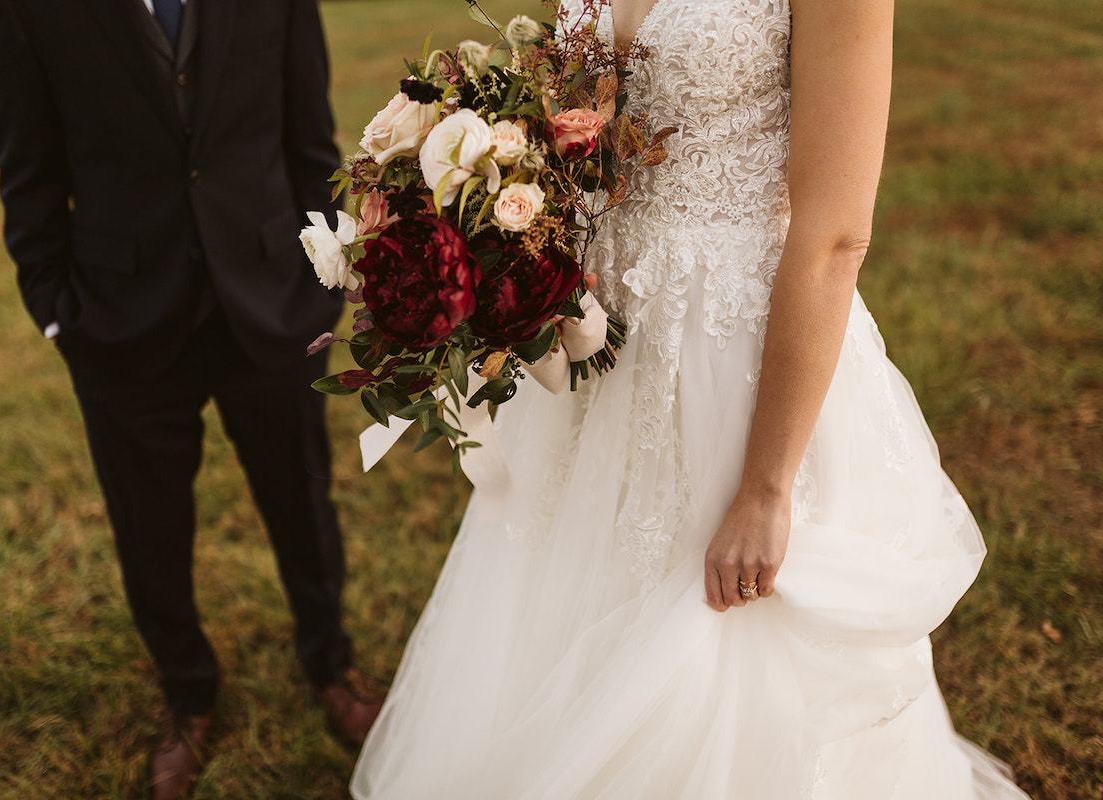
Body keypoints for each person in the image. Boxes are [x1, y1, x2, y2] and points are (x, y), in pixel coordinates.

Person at [350, 0, 1031, 797]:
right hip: (600, 338)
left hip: (735, 351)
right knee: (568, 605)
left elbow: (836, 234)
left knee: (720, 649)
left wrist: (767, 485)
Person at [0, 0, 381, 797]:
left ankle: (331, 664)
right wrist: (60, 317)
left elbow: (308, 139)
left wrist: (321, 277)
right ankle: (187, 693)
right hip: (120, 320)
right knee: (148, 523)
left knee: (302, 497)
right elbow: (28, 177)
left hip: (269, 299)